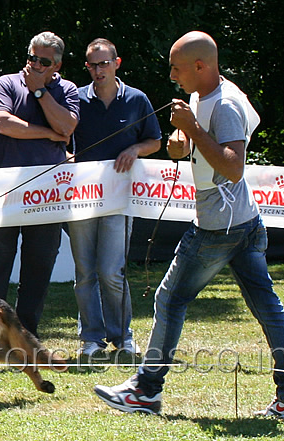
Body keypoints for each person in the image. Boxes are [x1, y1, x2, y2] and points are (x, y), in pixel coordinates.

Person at [94, 31, 284, 418]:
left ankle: (146, 390)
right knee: (268, 308)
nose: (172, 76)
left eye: (177, 68)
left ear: (200, 66)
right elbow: (192, 143)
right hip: (244, 222)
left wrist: (194, 130)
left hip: (219, 227)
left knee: (170, 299)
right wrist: (182, 141)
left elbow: (233, 167)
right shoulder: (203, 95)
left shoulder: (226, 104)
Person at [0, 32, 79, 338]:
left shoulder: (67, 90)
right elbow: (2, 123)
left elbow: (67, 126)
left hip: (48, 194)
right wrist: (47, 134)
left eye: (43, 61)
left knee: (39, 266)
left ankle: (25, 336)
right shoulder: (6, 83)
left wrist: (39, 94)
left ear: (56, 64)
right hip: (4, 191)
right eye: (31, 57)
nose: (33, 65)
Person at [69, 38, 161, 357]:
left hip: (120, 198)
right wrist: (67, 157)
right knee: (84, 271)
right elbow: (61, 139)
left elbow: (155, 141)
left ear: (117, 63)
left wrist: (135, 149)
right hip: (80, 198)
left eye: (104, 64)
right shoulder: (75, 99)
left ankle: (123, 337)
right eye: (92, 65)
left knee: (111, 271)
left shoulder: (137, 99)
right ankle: (91, 338)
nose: (98, 70)